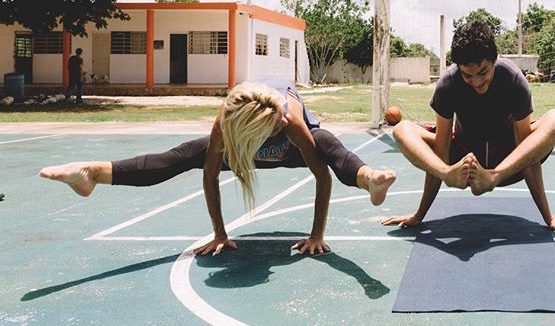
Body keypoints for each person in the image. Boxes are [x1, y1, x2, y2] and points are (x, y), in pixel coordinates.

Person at [40, 80, 396, 255]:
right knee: (178, 156)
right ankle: (93, 172)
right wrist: (220, 234)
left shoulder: (290, 122)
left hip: (289, 152)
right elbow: (210, 178)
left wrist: (318, 234)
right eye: (269, 127)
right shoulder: (224, 126)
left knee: (330, 145)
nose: (276, 126)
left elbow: (321, 176)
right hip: (241, 146)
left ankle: (370, 180)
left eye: (277, 124)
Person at [383, 20, 555, 234]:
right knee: (401, 129)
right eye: (467, 75)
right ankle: (450, 174)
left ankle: (492, 176)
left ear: (495, 57)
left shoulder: (513, 79)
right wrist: (420, 213)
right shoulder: (448, 83)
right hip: (463, 160)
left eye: (483, 72)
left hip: (507, 161)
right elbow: (442, 148)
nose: (476, 82)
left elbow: (526, 148)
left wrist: (549, 218)